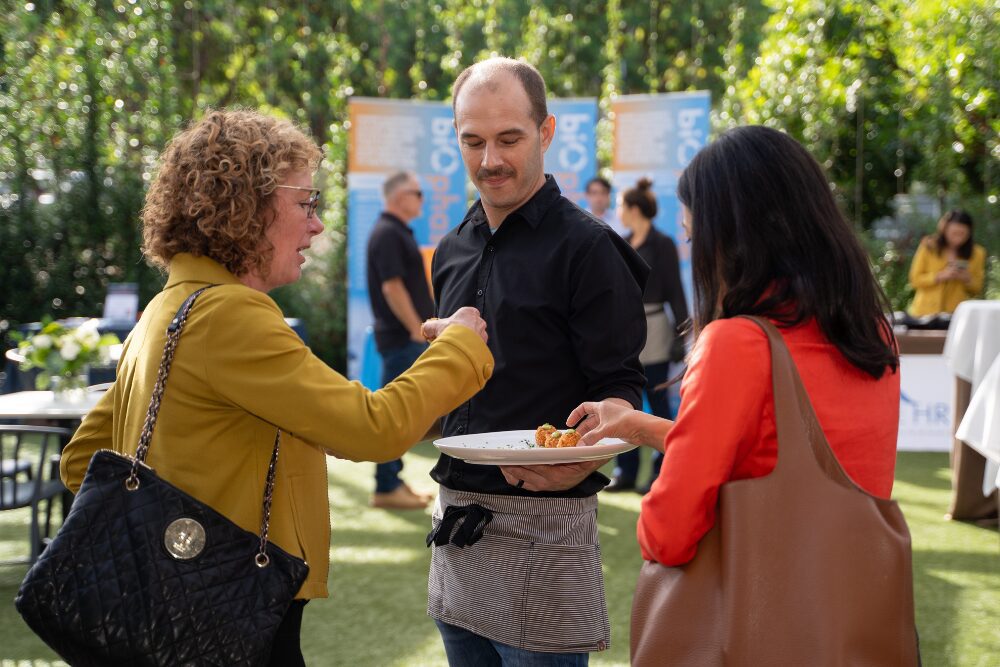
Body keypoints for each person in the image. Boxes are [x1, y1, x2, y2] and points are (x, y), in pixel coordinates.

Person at [59, 109, 494, 666]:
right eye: (306, 203)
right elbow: (373, 428)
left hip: (178, 604)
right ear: (247, 204)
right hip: (232, 605)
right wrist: (459, 346)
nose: (316, 224)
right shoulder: (229, 315)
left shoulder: (165, 308)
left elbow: (81, 462)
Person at [565, 126, 901, 649]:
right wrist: (640, 425)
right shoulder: (872, 332)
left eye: (696, 236)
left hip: (764, 627)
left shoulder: (738, 343)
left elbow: (668, 534)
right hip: (855, 621)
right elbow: (780, 460)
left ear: (732, 238)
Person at [424, 57, 647, 665]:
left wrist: (589, 452)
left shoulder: (589, 248)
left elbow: (623, 386)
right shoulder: (449, 250)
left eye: (509, 139)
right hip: (454, 516)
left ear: (546, 133)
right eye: (473, 141)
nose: (490, 159)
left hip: (546, 520)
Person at [605, 177, 688, 494]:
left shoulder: (662, 243)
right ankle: (625, 471)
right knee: (625, 400)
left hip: (655, 330)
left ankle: (661, 472)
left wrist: (682, 333)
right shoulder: (622, 240)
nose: (618, 210)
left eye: (621, 204)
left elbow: (675, 290)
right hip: (625, 331)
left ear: (634, 208)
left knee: (657, 400)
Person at [366, 170, 437, 510]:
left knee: (401, 414)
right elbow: (392, 287)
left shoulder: (394, 232)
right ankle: (386, 485)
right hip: (401, 338)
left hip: (403, 338)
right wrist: (414, 327)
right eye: (417, 193)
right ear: (398, 197)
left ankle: (392, 480)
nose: (421, 199)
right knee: (396, 415)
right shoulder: (388, 233)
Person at [907, 209, 986, 317]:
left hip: (957, 314)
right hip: (925, 313)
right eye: (954, 233)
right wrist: (939, 276)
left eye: (962, 234)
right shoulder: (929, 246)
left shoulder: (977, 253)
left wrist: (966, 278)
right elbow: (915, 280)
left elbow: (977, 288)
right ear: (944, 230)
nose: (958, 238)